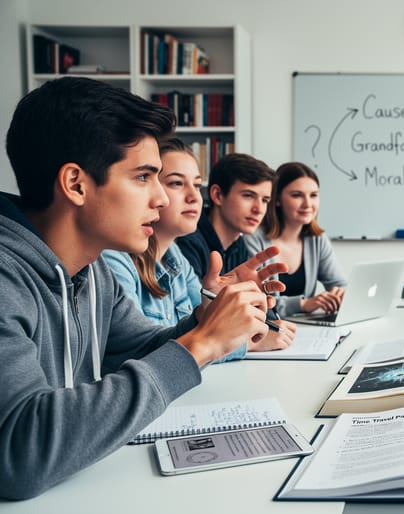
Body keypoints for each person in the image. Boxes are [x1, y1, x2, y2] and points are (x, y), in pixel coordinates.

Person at [0, 77, 278, 499]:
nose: (162, 199)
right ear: (75, 184)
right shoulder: (6, 276)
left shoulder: (92, 271)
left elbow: (138, 345)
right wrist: (200, 344)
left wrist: (206, 318)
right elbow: (20, 452)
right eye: (144, 177)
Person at [102, 138, 296, 357]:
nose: (194, 197)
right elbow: (149, 353)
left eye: (196, 185)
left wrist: (221, 307)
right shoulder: (114, 259)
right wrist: (243, 343)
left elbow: (202, 331)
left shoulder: (175, 257)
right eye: (176, 183)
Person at [245, 162, 347, 318]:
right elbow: (256, 300)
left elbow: (339, 284)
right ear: (277, 199)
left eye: (313, 195)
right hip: (266, 329)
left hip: (305, 329)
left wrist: (340, 294)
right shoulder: (253, 239)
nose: (308, 204)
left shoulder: (317, 239)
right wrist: (302, 304)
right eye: (297, 195)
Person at [176, 152, 274, 278]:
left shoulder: (239, 245)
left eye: (265, 200)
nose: (259, 209)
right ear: (218, 195)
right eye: (248, 196)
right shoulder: (188, 243)